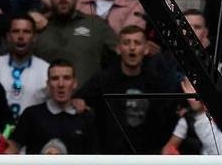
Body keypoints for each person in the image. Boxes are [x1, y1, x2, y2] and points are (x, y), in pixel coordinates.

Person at [77, 24, 181, 155]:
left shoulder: (157, 82)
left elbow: (169, 113)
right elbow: (79, 98)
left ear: (146, 49)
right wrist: (79, 101)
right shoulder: (104, 79)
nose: (132, 48)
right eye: (126, 43)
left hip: (147, 156)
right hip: (110, 156)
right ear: (118, 49)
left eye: (137, 43)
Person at [9, 59, 99, 154]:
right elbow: (14, 146)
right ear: (48, 84)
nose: (61, 84)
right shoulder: (31, 115)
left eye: (66, 78)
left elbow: (95, 156)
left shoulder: (86, 117)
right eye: (55, 78)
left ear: (75, 83)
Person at [33, 0, 117, 86]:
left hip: (88, 99)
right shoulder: (36, 26)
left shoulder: (97, 26)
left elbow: (120, 60)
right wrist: (29, 21)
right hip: (43, 97)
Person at [0, 14, 48, 123]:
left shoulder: (46, 71)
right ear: (8, 37)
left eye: (26, 32)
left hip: (31, 136)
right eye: (16, 31)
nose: (20, 36)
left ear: (35, 37)